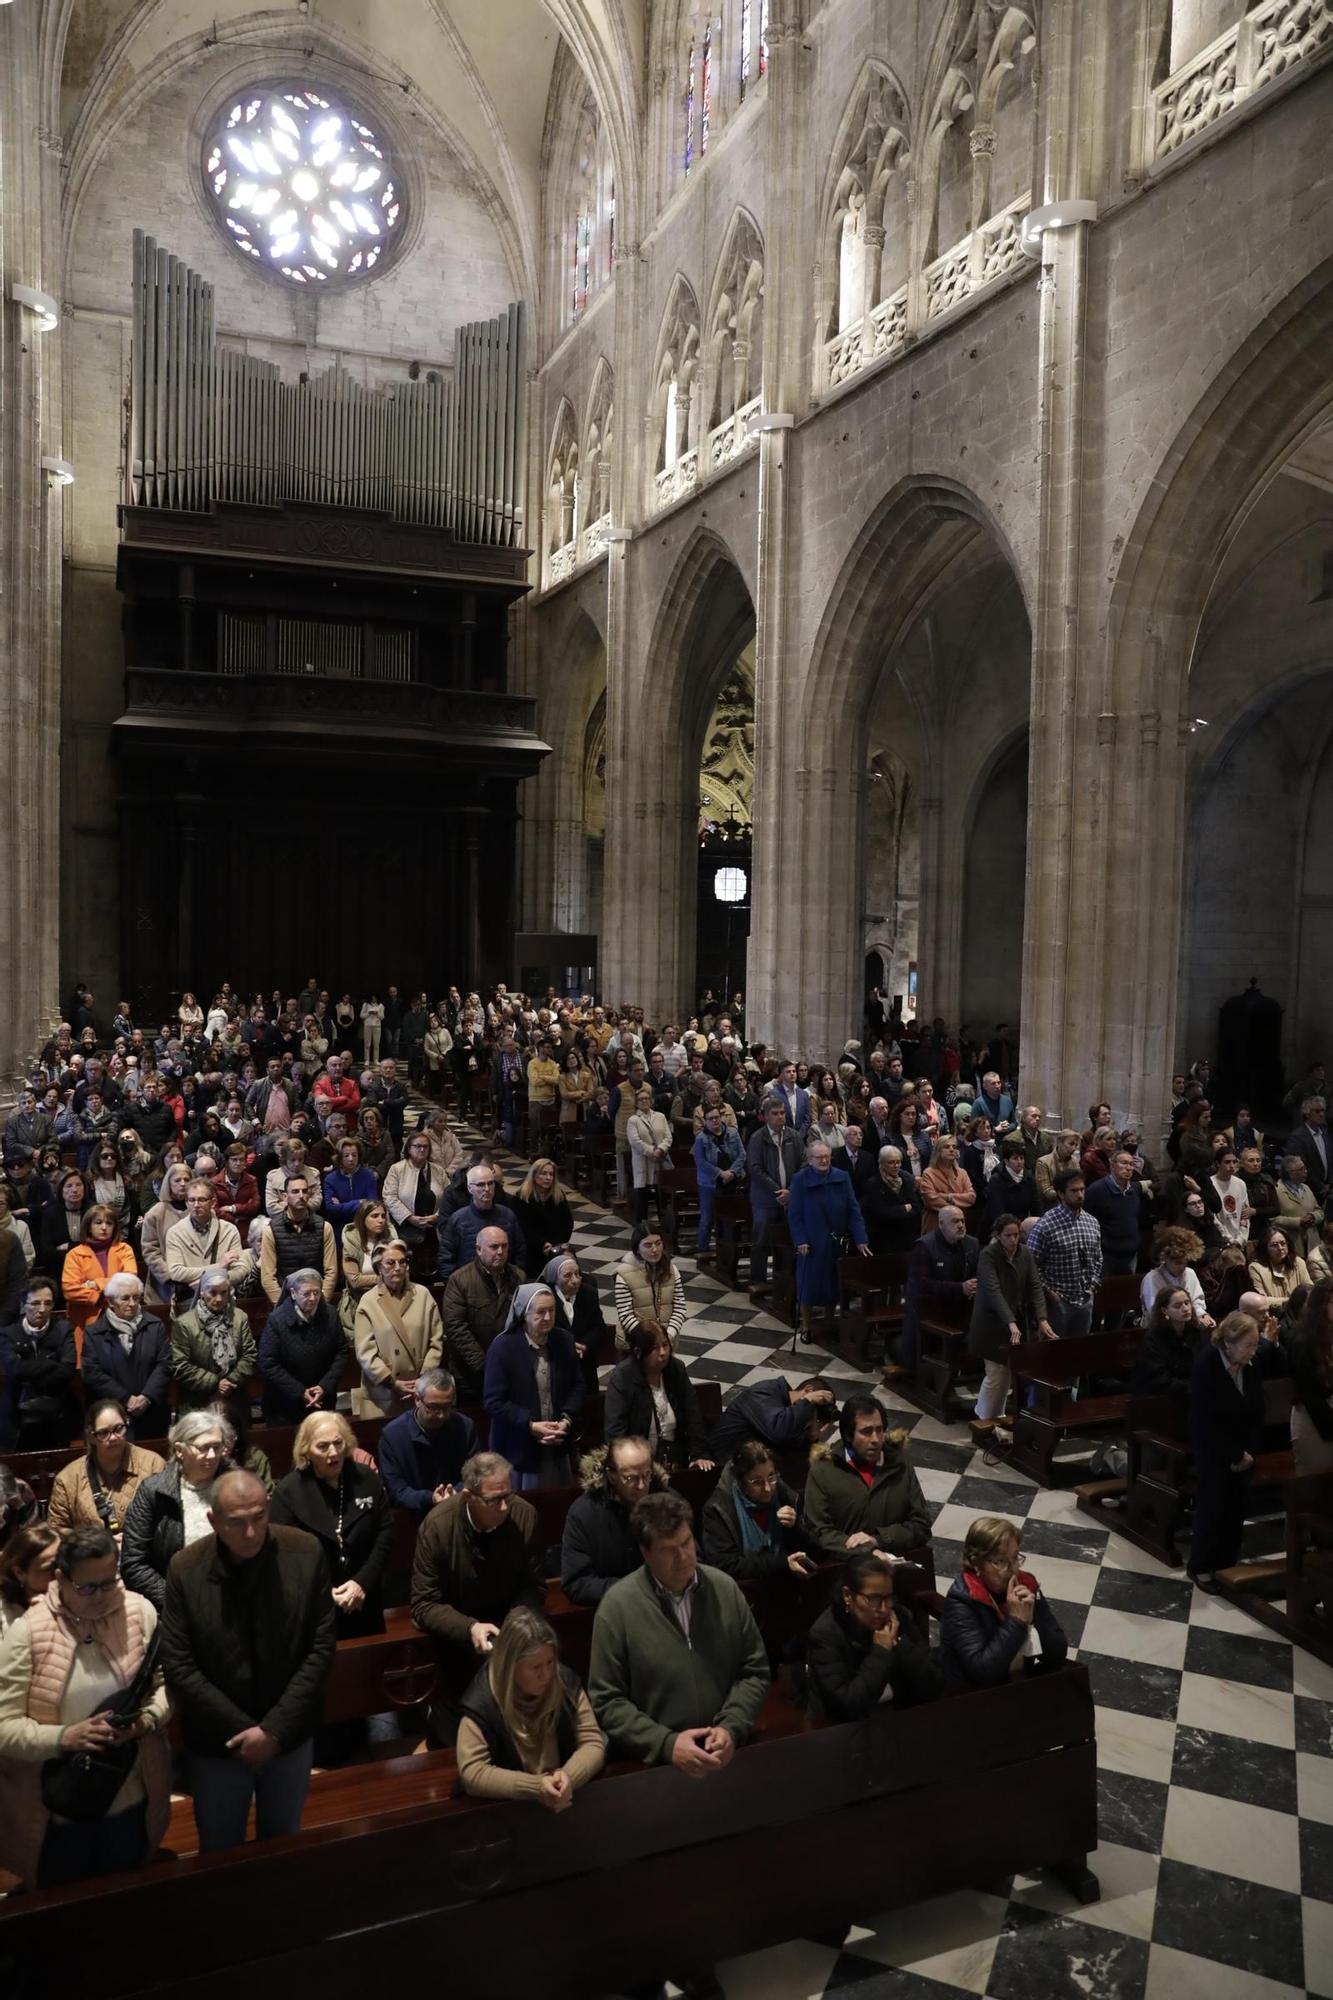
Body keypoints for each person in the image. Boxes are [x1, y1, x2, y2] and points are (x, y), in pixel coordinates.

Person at [161, 1469, 336, 1851]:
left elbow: (320, 1647)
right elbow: (179, 1664)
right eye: (236, 1523)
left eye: (259, 1517)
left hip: (288, 1733)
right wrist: (246, 1732)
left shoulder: (304, 1553)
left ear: (269, 1506)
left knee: (284, 1842)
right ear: (213, 1520)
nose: (251, 1533)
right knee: (221, 1849)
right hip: (218, 1741)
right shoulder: (185, 1569)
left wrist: (273, 1730)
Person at [0, 1524, 172, 1888]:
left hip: (131, 1795)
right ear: (60, 1579)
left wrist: (146, 1721)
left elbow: (166, 1687)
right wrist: (65, 1737)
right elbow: (4, 1726)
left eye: (109, 1582)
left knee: (127, 1895)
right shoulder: (27, 1632)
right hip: (58, 1811)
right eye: (87, 1587)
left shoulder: (139, 1612)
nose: (101, 1596)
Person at [588, 1487, 769, 1792]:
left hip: (727, 1756)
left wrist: (731, 1726)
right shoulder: (617, 1607)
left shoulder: (724, 1589)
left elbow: (754, 1671)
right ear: (646, 1553)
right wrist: (666, 1744)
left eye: (687, 1543)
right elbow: (607, 1701)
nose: (684, 1556)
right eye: (669, 1549)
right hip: (656, 1772)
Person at [409, 1451, 543, 1741]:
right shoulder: (438, 1526)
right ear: (469, 1497)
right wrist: (470, 1628)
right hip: (456, 1644)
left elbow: (533, 1585)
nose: (505, 1506)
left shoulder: (523, 1515)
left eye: (509, 1494)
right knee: (460, 1739)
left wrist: (516, 1623)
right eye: (495, 1500)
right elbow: (423, 1603)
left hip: (510, 1636)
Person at [456, 1604, 605, 1808]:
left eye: (550, 1662)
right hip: (508, 1810)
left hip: (565, 1797)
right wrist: (535, 1787)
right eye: (535, 1667)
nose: (546, 1674)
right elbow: (472, 1772)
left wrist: (569, 1777)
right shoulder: (482, 1701)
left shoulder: (564, 1681)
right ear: (511, 1666)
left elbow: (593, 1742)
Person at [270, 1412, 392, 1637]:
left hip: (364, 1598)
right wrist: (324, 1593)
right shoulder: (288, 1492)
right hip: (313, 1606)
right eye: (322, 1446)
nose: (333, 1453)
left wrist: (361, 1582)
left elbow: (384, 1532)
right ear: (306, 1450)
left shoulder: (365, 1478)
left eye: (338, 1443)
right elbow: (283, 1555)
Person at [805, 1549, 944, 1721]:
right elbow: (847, 1707)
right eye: (874, 1599)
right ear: (848, 1595)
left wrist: (900, 1643)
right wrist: (881, 1651)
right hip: (846, 1730)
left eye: (888, 1598)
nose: (884, 1609)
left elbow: (933, 1683)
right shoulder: (825, 1634)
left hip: (899, 1716)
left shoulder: (898, 1617)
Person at [121, 1408, 238, 1610]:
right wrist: (177, 1601)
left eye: (217, 1447)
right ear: (179, 1450)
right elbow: (133, 1563)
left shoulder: (238, 1484)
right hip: (176, 1603)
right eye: (203, 1448)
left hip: (232, 1598)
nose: (211, 1455)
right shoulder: (154, 1491)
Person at [938, 1515, 1069, 1687]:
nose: (1013, 1569)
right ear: (975, 1562)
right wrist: (1016, 1621)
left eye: (1015, 1557)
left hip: (1017, 1684)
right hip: (971, 1696)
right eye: (1000, 1561)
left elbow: (1058, 1654)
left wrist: (1034, 1617)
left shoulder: (1027, 1584)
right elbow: (983, 1671)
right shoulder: (961, 1600)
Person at [1188, 1311, 1265, 1589]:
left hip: (1244, 1449)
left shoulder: (1251, 1365)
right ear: (1229, 1343)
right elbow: (1207, 1420)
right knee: (1213, 1505)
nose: (1252, 1351)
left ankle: (1226, 1563)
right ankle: (1201, 1566)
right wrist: (1233, 1454)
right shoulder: (1206, 1365)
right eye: (1248, 1345)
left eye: (1255, 1344)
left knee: (1237, 1506)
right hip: (1213, 1449)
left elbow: (1257, 1409)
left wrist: (1249, 1451)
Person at [802, 1396, 931, 1559]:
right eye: (866, 1432)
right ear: (848, 1435)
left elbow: (921, 1526)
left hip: (895, 1569)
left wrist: (878, 1540)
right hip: (845, 1571)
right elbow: (819, 1533)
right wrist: (865, 1551)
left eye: (879, 1429)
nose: (876, 1439)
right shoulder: (824, 1471)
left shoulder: (900, 1465)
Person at [483, 1282, 584, 1489]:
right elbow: (493, 1402)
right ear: (524, 1314)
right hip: (518, 1448)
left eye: (552, 1310)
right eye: (540, 1312)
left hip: (557, 1443)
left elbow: (578, 1386)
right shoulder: (503, 1347)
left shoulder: (563, 1340)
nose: (547, 1318)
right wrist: (530, 1425)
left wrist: (566, 1419)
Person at [969, 1214, 1055, 1439]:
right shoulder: (988, 1255)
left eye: (1017, 1235)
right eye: (1008, 1235)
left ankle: (993, 1417)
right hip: (992, 1323)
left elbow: (1035, 1286)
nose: (1013, 1240)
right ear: (998, 1235)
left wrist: (1042, 1318)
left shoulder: (1024, 1253)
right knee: (996, 1373)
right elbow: (993, 1291)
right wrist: (1010, 1322)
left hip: (1015, 1322)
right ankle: (984, 1418)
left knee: (1006, 1373)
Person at [559, 1436, 667, 1605]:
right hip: (612, 1611)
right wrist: (636, 1590)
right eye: (631, 1478)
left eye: (647, 1475)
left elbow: (692, 1558)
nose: (642, 1485)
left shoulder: (667, 1503)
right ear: (612, 1475)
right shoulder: (584, 1513)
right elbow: (577, 1583)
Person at [787, 1136, 871, 1344]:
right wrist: (800, 1240)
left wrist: (861, 1238)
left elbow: (853, 1210)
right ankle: (806, 1325)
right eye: (819, 1158)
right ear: (810, 1159)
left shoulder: (841, 1177)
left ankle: (828, 1322)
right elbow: (795, 1214)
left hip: (836, 1241)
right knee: (809, 1285)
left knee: (833, 1284)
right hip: (812, 1243)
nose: (824, 1161)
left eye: (827, 1157)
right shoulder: (800, 1179)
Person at [351, 1235, 444, 1416]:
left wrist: (423, 1378)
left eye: (402, 1262)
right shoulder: (368, 1301)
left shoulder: (422, 1295)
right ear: (378, 1267)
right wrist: (391, 1381)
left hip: (419, 1389)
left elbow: (436, 1341)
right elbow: (365, 1352)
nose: (398, 1268)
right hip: (383, 1393)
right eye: (390, 1263)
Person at [46, 1399, 165, 1538]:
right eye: (103, 1433)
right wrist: (98, 1544)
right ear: (91, 1436)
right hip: (92, 1556)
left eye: (119, 1428)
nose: (113, 1437)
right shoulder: (68, 1478)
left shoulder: (153, 1464)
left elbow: (167, 1520)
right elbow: (56, 1530)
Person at [604, 1321, 714, 1471]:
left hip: (675, 1458)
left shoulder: (676, 1369)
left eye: (665, 1345)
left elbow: (692, 1413)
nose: (662, 1352)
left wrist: (699, 1454)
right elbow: (615, 1430)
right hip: (637, 1463)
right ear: (638, 1352)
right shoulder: (623, 1377)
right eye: (655, 1348)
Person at [701, 1441, 818, 1581]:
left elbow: (816, 1550)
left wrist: (794, 1528)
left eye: (771, 1477)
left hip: (790, 1585)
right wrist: (782, 1563)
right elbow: (726, 1565)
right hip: (746, 1592)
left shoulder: (784, 1495)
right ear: (741, 1481)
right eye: (757, 1482)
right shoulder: (718, 1508)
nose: (768, 1488)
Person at [81, 1271, 172, 1440]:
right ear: (110, 1301)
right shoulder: (94, 1332)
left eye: (136, 1298)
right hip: (112, 1414)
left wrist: (146, 1397)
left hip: (151, 1412)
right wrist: (125, 1398)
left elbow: (164, 1364)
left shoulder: (154, 1325)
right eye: (125, 1298)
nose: (132, 1304)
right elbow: (92, 1372)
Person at [377, 1368, 480, 1514]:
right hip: (413, 1517)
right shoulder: (392, 1436)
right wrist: (430, 1498)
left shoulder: (465, 1427)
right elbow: (396, 1491)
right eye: (433, 1407)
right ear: (417, 1399)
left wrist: (453, 1494)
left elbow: (474, 1477)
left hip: (458, 1510)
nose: (441, 1415)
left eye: (447, 1407)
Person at [441, 1223, 524, 1400]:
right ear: (479, 1249)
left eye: (504, 1246)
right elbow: (455, 1328)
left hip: (511, 1368)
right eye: (494, 1247)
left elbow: (524, 1320)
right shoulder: (460, 1280)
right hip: (472, 1374)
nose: (500, 1252)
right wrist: (485, 1365)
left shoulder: (518, 1277)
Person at [257, 1267, 349, 1426]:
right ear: (293, 1293)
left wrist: (324, 1386)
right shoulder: (276, 1321)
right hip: (285, 1406)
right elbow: (267, 1362)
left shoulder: (330, 1314)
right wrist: (300, 1392)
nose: (313, 1298)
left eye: (317, 1292)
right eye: (306, 1293)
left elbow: (342, 1352)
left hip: (323, 1400)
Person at [169, 1264, 257, 1420]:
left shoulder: (239, 1317)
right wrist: (215, 1383)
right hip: (198, 1402)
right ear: (202, 1292)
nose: (219, 1299)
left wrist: (230, 1380)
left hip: (235, 1397)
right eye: (213, 1293)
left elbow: (249, 1355)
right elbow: (180, 1365)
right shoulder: (184, 1323)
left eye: (224, 1293)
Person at [0, 1275, 78, 1449]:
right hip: (17, 1414)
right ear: (23, 1305)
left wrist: (29, 1372)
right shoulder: (8, 1333)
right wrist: (51, 1365)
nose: (42, 1309)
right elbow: (15, 1370)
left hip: (57, 1413)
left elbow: (67, 1370)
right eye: (35, 1303)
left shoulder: (63, 1329)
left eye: (48, 1303)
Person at [899, 1204, 979, 1371]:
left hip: (963, 1306)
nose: (961, 1225)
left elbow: (978, 1273)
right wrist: (960, 1288)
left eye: (963, 1221)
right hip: (930, 1308)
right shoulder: (924, 1246)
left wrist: (974, 1285)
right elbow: (922, 1285)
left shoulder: (972, 1244)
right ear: (941, 1224)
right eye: (955, 1221)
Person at [1026, 1170, 1103, 1337]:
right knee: (1053, 1353)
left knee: (1080, 1351)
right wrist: (1049, 1291)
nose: (1080, 1195)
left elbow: (1097, 1257)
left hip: (1085, 1298)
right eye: (1074, 1191)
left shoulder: (1092, 1222)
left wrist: (1093, 1284)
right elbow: (1031, 1264)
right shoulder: (1046, 1225)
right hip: (1058, 1301)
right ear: (1060, 1194)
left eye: (1082, 1189)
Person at [707, 1371, 837, 1462]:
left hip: (753, 1464)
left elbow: (793, 1451)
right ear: (808, 1390)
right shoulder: (764, 1392)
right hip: (721, 1463)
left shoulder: (794, 1413)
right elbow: (779, 1433)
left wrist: (811, 1436)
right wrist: (807, 1402)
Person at [745, 1097, 805, 1291]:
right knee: (761, 1239)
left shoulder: (794, 1136)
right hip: (765, 1199)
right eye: (775, 1114)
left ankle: (786, 1277)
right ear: (766, 1116)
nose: (780, 1117)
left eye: (782, 1113)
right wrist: (778, 1191)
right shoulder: (758, 1137)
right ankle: (758, 1280)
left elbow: (803, 1164)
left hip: (791, 1197)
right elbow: (754, 1169)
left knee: (788, 1239)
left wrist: (792, 1190)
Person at [61, 1202, 137, 1353]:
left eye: (109, 1223)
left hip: (120, 1317)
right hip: (86, 1319)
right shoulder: (74, 1254)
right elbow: (69, 1290)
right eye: (98, 1222)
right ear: (88, 1226)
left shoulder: (124, 1249)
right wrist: (99, 1296)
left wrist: (95, 1284)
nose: (104, 1227)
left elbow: (129, 1280)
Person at [164, 1176, 253, 1294]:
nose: (196, 1205)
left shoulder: (229, 1230)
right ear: (186, 1202)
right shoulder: (175, 1232)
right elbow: (176, 1272)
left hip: (222, 1296)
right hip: (189, 1297)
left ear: (213, 1202)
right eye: (191, 1200)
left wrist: (209, 1282)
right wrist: (219, 1267)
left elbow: (241, 1269)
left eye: (201, 1199)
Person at [259, 1174, 337, 1305]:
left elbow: (331, 1272)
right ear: (285, 1196)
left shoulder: (325, 1227)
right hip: (286, 1302)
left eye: (305, 1191)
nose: (301, 1195)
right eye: (295, 1191)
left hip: (317, 1300)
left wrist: (320, 1302)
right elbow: (267, 1277)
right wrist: (284, 1307)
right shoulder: (271, 1230)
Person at [435, 1165, 522, 1283]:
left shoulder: (507, 1216)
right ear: (470, 1188)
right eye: (480, 1185)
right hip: (468, 1286)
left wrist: (514, 1280)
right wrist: (456, 1286)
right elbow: (445, 1259)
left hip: (504, 1283)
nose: (487, 1189)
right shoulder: (458, 1219)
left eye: (490, 1183)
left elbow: (520, 1253)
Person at [1131, 1287, 1202, 1421]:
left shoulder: (1194, 1332)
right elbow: (1158, 1379)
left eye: (1187, 1303)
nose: (1185, 1308)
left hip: (1189, 1392)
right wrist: (1192, 1387)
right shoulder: (1154, 1338)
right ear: (1164, 1310)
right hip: (1162, 1398)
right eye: (1177, 1306)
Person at [543, 1252, 610, 1390]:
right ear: (555, 1278)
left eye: (577, 1274)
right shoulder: (545, 1297)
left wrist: (584, 1346)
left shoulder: (588, 1293)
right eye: (567, 1276)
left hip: (584, 1363)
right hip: (555, 1364)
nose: (575, 1280)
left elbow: (598, 1327)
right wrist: (567, 1346)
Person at [613, 1224, 687, 1349]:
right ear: (637, 1249)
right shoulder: (624, 1274)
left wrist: (668, 1335)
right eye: (648, 1245)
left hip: (667, 1342)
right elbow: (625, 1315)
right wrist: (648, 1340)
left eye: (658, 1243)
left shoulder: (671, 1270)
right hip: (637, 1345)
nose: (655, 1249)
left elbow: (680, 1307)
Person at [1288, 1280, 1333, 1476]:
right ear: (1322, 1305)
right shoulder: (1302, 1339)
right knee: (1318, 1488)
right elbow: (1310, 1392)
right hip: (1315, 1419)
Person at [382, 1131, 446, 1248]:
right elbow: (389, 1197)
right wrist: (409, 1218)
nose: (422, 1150)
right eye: (417, 1146)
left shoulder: (439, 1171)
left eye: (425, 1146)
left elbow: (449, 1198)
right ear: (409, 1149)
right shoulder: (397, 1169)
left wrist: (437, 1216)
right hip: (404, 1228)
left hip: (433, 1229)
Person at [1140, 1224, 1213, 1326]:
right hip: (1161, 1330)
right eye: (1178, 1263)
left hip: (1188, 1325)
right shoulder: (1152, 1279)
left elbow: (1197, 1301)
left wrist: (1203, 1315)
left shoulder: (1190, 1273)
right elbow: (1156, 1313)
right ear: (1165, 1259)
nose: (1182, 1267)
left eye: (1185, 1262)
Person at [511, 1158, 574, 1273]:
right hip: (531, 1248)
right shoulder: (521, 1198)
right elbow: (523, 1227)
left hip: (556, 1246)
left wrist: (555, 1244)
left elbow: (567, 1223)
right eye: (543, 1173)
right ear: (534, 1175)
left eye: (551, 1174)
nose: (548, 1178)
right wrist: (542, 1244)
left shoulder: (558, 1196)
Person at [0, 1521, 61, 1635]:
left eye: (64, 1563)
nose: (60, 1573)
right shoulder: (6, 1613)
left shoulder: (83, 1595)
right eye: (49, 1568)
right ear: (19, 1573)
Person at [860, 1145, 923, 1254]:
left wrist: (896, 1211)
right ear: (882, 1163)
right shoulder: (873, 1184)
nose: (896, 1166)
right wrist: (904, 1208)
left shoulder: (906, 1179)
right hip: (884, 1239)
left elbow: (917, 1207)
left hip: (907, 1237)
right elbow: (881, 1212)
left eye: (898, 1162)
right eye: (891, 1162)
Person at [1248, 1223, 1312, 1305]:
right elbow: (1261, 1300)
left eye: (1283, 1243)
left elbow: (1310, 1291)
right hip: (1272, 1314)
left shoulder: (1298, 1262)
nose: (1280, 1248)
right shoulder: (1255, 1268)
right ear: (1265, 1248)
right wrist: (1291, 1301)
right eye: (1274, 1245)